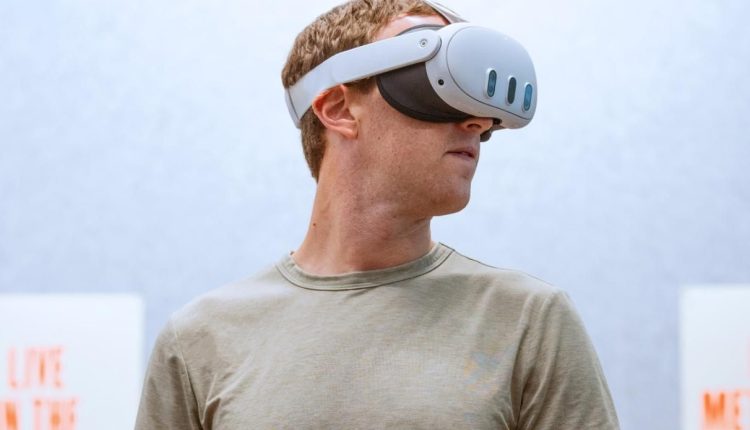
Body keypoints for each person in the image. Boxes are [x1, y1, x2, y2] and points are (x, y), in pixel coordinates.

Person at [135, 1, 620, 429]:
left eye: (480, 106)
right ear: (339, 109)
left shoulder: (527, 321)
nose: (476, 122)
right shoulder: (201, 340)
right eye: (436, 86)